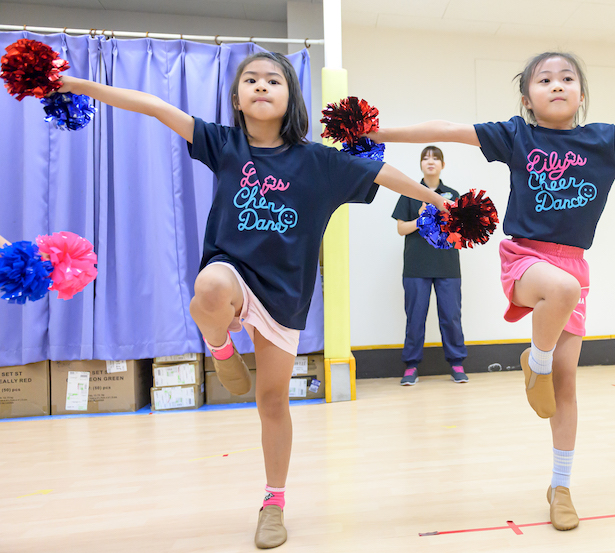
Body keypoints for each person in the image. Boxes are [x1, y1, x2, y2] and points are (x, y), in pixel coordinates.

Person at [57, 51, 447, 549]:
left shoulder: (319, 161)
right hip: (232, 274)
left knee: (271, 401)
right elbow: (153, 105)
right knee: (210, 288)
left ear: (291, 97)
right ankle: (221, 348)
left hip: (284, 294)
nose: (261, 86)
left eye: (273, 80)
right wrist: (76, 83)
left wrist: (435, 200)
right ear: (237, 97)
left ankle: (274, 501)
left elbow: (382, 172)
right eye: (250, 79)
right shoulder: (223, 143)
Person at [367, 51, 615, 532]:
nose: (557, 85)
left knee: (567, 386)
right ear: (526, 97)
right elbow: (446, 129)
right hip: (525, 259)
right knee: (562, 291)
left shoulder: (607, 140)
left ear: (582, 93)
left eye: (567, 78)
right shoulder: (516, 134)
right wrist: (377, 135)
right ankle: (538, 361)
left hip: (573, 266)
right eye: (544, 79)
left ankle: (561, 485)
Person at [391, 146, 468, 385]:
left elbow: (462, 231)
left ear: (442, 165)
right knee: (415, 317)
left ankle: (456, 363)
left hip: (447, 266)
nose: (431, 162)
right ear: (421, 164)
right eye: (426, 158)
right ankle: (411, 366)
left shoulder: (453, 195)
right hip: (416, 267)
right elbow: (401, 228)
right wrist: (421, 219)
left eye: (436, 158)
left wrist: (444, 214)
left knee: (451, 317)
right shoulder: (408, 193)